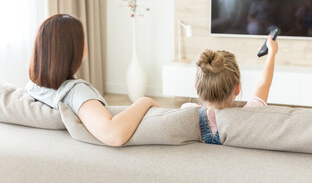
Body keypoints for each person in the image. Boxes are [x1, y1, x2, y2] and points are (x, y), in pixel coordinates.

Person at [25, 14, 158, 146]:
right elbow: (113, 135)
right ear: (74, 49)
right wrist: (145, 101)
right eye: (82, 39)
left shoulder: (33, 86)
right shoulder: (75, 92)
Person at [182, 35, 278, 144]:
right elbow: (263, 85)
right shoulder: (249, 116)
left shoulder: (188, 113)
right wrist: (272, 53)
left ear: (197, 88)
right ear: (237, 89)